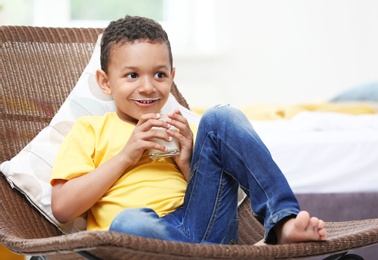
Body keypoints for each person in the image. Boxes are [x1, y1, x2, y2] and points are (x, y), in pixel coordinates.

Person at [51, 15, 327, 245]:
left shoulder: (185, 131)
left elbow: (213, 196)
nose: (148, 86)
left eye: (159, 74)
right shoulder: (90, 129)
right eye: (132, 75)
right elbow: (63, 209)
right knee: (128, 221)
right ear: (105, 82)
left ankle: (282, 220)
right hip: (138, 239)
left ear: (172, 77)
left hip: (202, 228)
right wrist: (126, 155)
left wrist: (186, 160)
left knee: (221, 116)